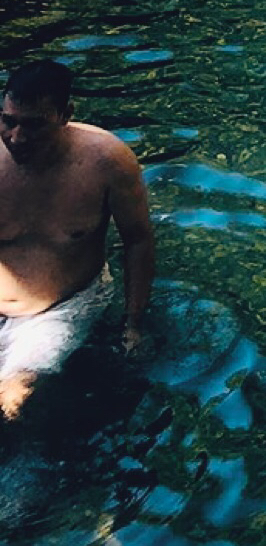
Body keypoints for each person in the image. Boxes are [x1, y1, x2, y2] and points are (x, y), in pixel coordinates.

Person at [0, 58, 155, 420]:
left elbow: (137, 240)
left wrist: (134, 324)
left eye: (35, 125)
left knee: (11, 400)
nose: (18, 138)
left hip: (62, 307)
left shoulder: (107, 161)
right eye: (8, 121)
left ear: (65, 114)